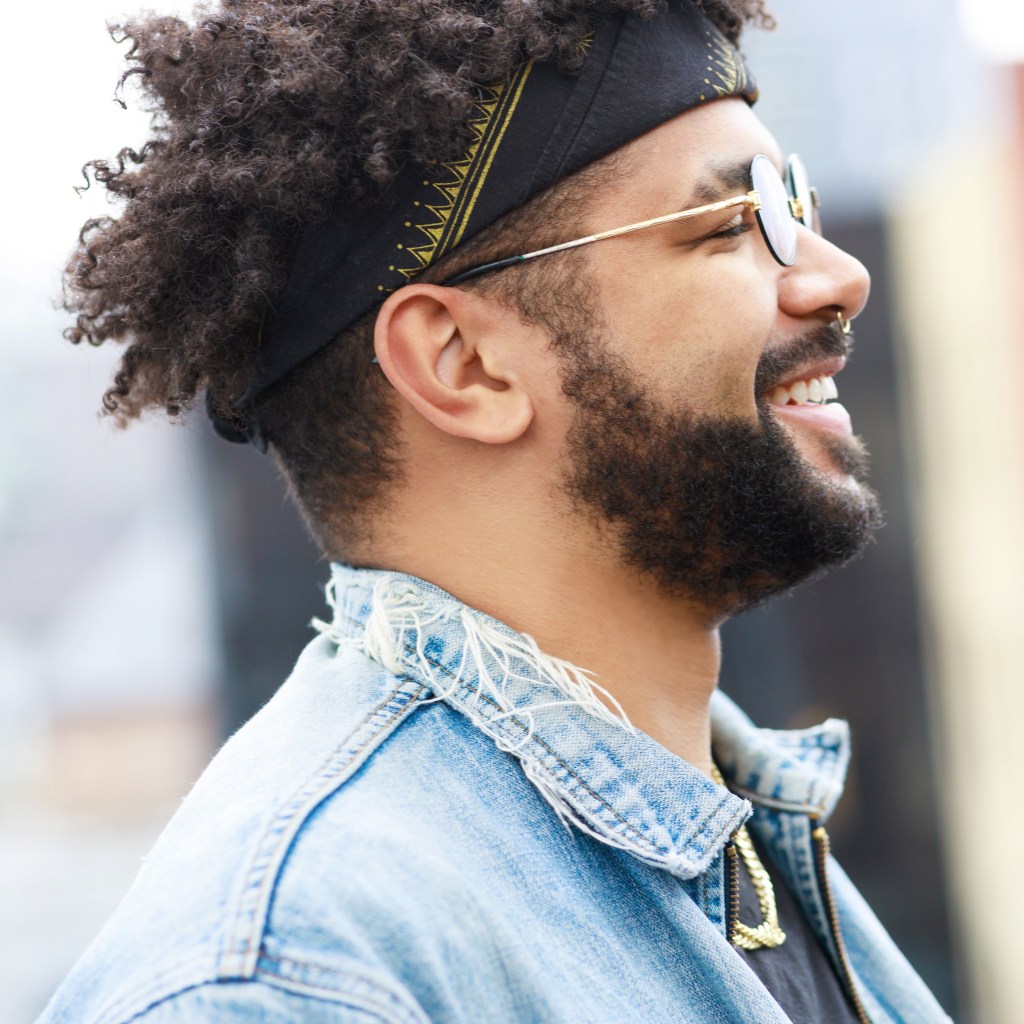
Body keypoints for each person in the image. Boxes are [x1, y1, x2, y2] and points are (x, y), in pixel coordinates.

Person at [41, 1, 950, 1021]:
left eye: (799, 204)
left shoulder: (741, 827)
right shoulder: (290, 978)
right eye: (738, 226)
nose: (837, 275)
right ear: (464, 365)